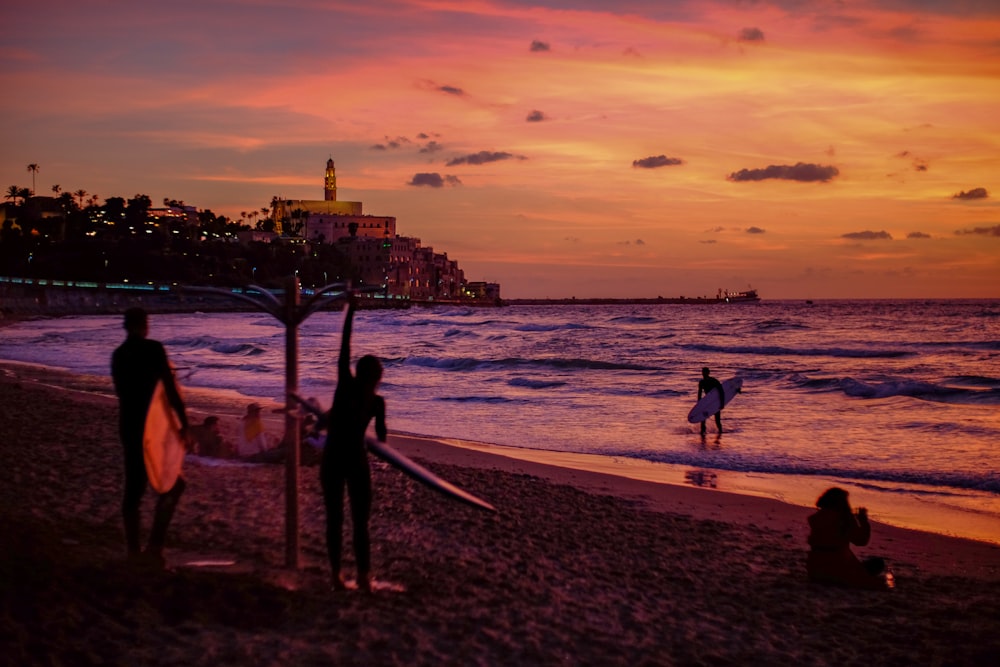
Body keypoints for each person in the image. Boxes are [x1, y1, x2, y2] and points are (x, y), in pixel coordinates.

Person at [110, 307, 190, 568]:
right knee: (173, 486)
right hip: (153, 429)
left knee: (134, 489)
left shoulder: (118, 355)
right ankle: (154, 546)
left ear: (125, 326)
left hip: (129, 427)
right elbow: (169, 390)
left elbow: (123, 393)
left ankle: (134, 551)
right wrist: (184, 425)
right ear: (145, 325)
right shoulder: (154, 349)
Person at [321, 293, 387, 592]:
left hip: (333, 458)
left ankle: (335, 575)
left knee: (334, 518)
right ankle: (363, 577)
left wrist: (350, 312)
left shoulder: (345, 386)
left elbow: (344, 350)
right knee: (360, 522)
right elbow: (383, 438)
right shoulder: (377, 403)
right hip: (357, 461)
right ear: (378, 378)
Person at [806, 487, 888, 589]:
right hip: (837, 567)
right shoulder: (844, 519)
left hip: (815, 568)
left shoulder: (816, 518)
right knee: (878, 563)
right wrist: (863, 521)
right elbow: (861, 541)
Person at [697, 366, 725, 435]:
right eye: (703, 372)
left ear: (708, 373)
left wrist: (722, 403)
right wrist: (699, 404)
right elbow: (699, 393)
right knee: (703, 419)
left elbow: (721, 391)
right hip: (707, 402)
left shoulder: (714, 381)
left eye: (705, 372)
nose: (704, 374)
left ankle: (720, 433)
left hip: (716, 402)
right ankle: (703, 433)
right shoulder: (701, 382)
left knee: (717, 420)